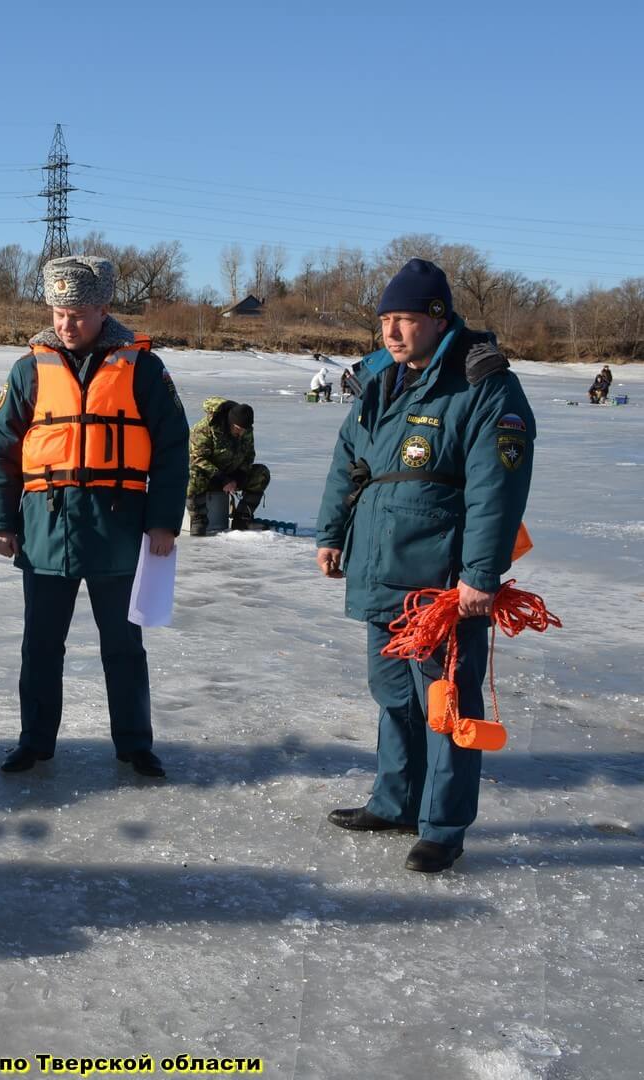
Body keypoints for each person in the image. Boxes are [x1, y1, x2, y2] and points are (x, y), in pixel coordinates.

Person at [314, 258, 535, 873]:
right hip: (379, 566)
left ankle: (442, 825)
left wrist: (480, 575)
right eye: (386, 319)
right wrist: (331, 535)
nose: (391, 332)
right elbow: (348, 464)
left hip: (442, 579)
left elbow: (497, 489)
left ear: (438, 319)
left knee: (446, 702)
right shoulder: (381, 380)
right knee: (392, 696)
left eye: (405, 319)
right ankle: (394, 802)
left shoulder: (483, 385)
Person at [0, 255, 188, 777]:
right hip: (46, 531)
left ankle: (134, 744)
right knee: (41, 647)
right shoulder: (28, 369)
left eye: (75, 313)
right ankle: (34, 742)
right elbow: (1, 448)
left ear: (103, 309)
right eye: (57, 312)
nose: (65, 324)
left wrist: (163, 521)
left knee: (123, 647)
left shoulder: (143, 368)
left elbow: (172, 447)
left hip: (117, 528)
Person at [186, 398, 271, 534]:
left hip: (232, 475)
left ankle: (242, 518)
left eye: (245, 430)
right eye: (238, 429)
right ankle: (198, 519)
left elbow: (249, 455)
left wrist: (239, 476)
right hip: (208, 476)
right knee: (194, 474)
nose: (241, 433)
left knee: (261, 473)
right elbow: (197, 459)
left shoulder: (245, 430)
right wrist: (222, 479)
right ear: (230, 422)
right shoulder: (205, 428)